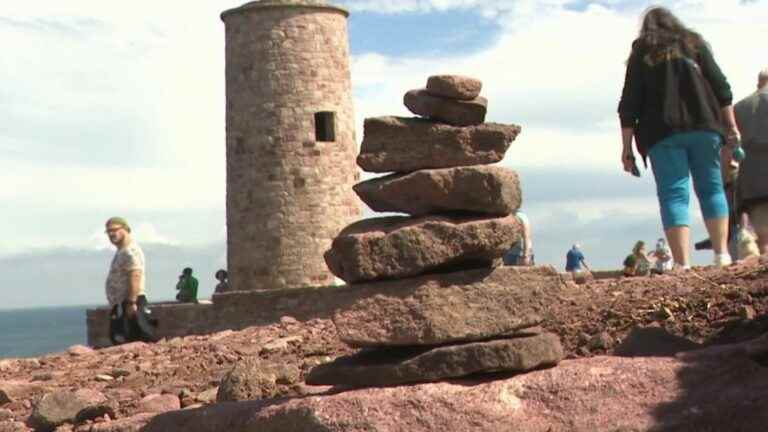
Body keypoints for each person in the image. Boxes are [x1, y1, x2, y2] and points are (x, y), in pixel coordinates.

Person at [618, 6, 740, 270]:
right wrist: (731, 127)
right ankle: (721, 254)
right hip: (705, 127)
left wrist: (626, 148)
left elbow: (629, 103)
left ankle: (682, 264)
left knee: (673, 194)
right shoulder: (693, 42)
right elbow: (722, 87)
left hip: (662, 133)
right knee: (712, 188)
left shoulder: (642, 50)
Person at [104, 217, 157, 344]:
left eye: (114, 230)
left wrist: (131, 302)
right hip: (121, 303)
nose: (111, 234)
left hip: (129, 301)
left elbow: (135, 274)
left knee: (134, 338)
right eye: (108, 232)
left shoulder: (130, 251)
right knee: (123, 337)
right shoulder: (122, 251)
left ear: (126, 229)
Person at [734, 68, 768, 254]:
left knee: (764, 239)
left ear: (758, 82)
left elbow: (729, 148)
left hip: (752, 181)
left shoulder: (740, 107)